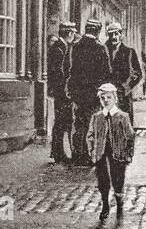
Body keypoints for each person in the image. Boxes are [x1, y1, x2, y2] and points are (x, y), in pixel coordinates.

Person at [66, 19, 113, 166]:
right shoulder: (100, 47)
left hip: (79, 94)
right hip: (94, 94)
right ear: (98, 31)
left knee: (79, 124)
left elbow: (71, 70)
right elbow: (107, 72)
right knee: (93, 125)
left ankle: (78, 154)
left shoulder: (76, 46)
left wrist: (73, 90)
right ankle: (91, 155)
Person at [87, 83, 135, 221]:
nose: (106, 100)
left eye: (109, 97)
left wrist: (129, 153)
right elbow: (90, 135)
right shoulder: (97, 117)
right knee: (103, 179)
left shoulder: (122, 116)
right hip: (101, 153)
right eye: (103, 98)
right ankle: (105, 205)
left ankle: (119, 200)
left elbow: (130, 136)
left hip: (118, 152)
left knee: (118, 177)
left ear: (115, 98)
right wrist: (92, 151)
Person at [46, 21, 77, 163]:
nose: (74, 35)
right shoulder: (59, 48)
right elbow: (59, 73)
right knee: (61, 122)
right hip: (62, 92)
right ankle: (58, 153)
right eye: (73, 32)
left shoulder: (62, 47)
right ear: (69, 33)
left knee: (62, 122)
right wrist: (66, 90)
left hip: (61, 91)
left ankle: (58, 152)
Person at [106, 22, 143, 118]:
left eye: (116, 34)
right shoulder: (103, 51)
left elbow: (138, 73)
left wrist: (126, 87)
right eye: (111, 34)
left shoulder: (129, 52)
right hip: (107, 95)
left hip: (123, 96)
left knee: (124, 124)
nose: (114, 37)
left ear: (121, 34)